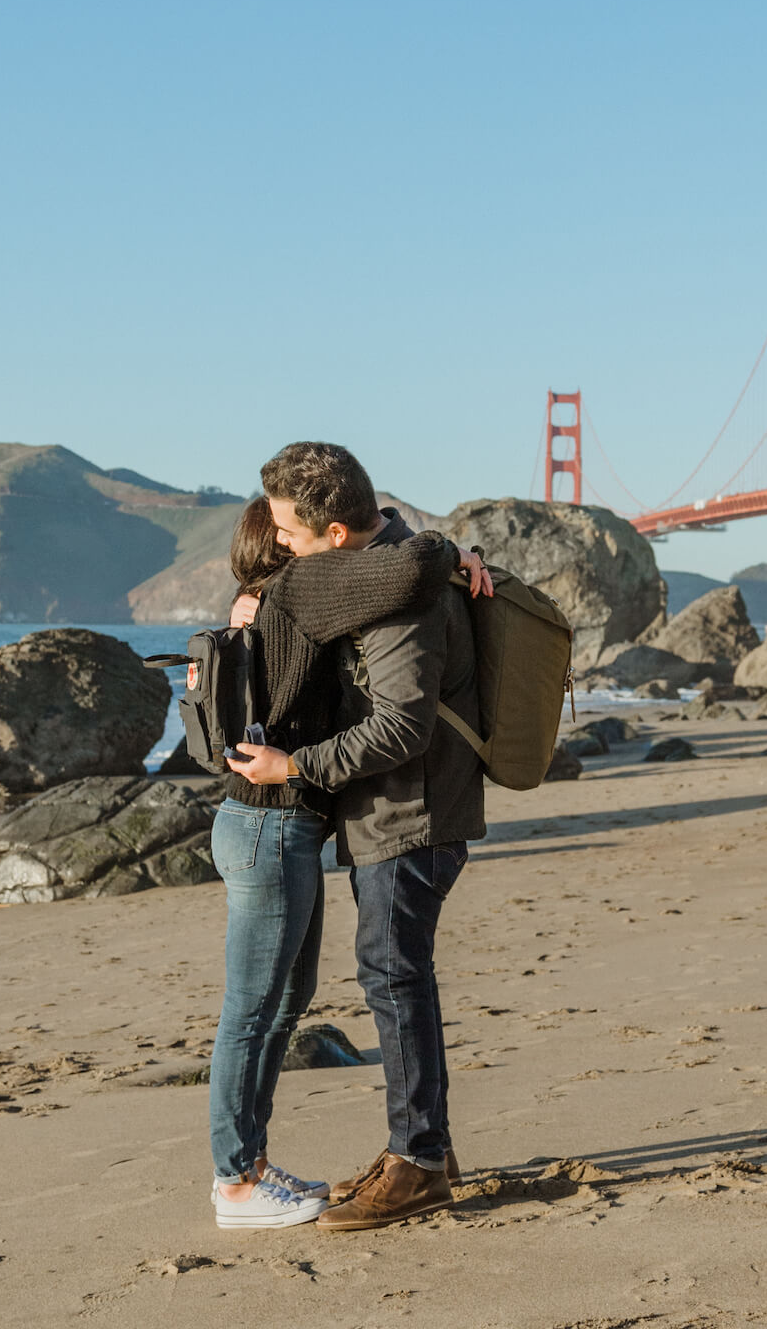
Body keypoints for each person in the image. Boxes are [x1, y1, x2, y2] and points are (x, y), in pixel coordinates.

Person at [227, 442, 487, 1231]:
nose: (280, 545)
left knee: (394, 975)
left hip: (412, 812)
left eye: (290, 535)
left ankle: (416, 1162)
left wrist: (291, 766)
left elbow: (401, 728)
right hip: (394, 812)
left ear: (338, 536)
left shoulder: (403, 598)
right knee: (395, 972)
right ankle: (424, 1149)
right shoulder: (390, 567)